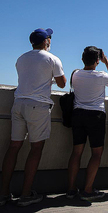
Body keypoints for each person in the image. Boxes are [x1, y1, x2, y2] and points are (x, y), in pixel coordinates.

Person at [0, 28, 66, 207]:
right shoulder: (53, 59)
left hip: (18, 103)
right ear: (46, 41)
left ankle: (3, 193)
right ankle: (25, 195)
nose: (50, 41)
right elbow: (62, 83)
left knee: (13, 147)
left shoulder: (21, 58)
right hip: (38, 106)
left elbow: (30, 77)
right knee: (36, 149)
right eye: (49, 38)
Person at [66, 46, 108, 201]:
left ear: (82, 59)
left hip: (77, 114)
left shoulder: (75, 74)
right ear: (97, 61)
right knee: (96, 154)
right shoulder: (101, 76)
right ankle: (87, 190)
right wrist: (106, 61)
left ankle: (71, 189)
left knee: (76, 152)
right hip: (95, 116)